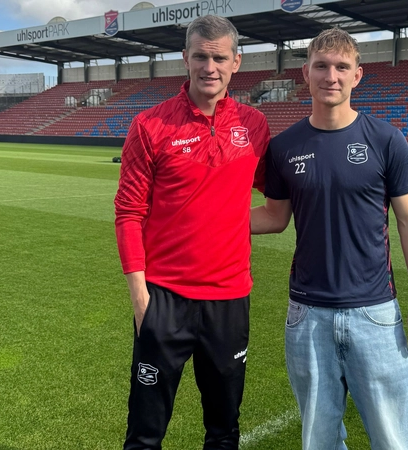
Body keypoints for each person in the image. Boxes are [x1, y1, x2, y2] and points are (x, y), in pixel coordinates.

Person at [250, 28, 408, 449]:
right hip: (307, 318)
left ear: (357, 75)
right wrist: (205, 222)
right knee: (319, 442)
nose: (330, 75)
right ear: (306, 73)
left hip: (375, 314)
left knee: (398, 441)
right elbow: (275, 218)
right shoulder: (284, 147)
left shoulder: (387, 140)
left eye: (341, 67)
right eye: (321, 66)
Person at [114, 14, 270, 450]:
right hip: (164, 299)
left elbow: (279, 202)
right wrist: (140, 296)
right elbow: (128, 212)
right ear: (184, 58)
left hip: (230, 301)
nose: (209, 67)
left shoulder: (254, 126)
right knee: (144, 433)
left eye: (219, 58)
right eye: (200, 56)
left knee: (224, 429)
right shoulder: (150, 125)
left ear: (236, 62)